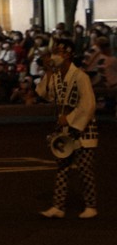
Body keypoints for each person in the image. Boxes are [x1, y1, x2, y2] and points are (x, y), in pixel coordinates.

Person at [37, 39, 99, 219]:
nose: (55, 55)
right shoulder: (56, 76)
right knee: (62, 166)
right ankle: (58, 206)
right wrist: (48, 71)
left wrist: (70, 119)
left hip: (83, 128)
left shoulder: (80, 76)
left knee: (84, 168)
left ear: (69, 54)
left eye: (59, 52)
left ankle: (91, 205)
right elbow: (44, 93)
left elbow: (88, 105)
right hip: (65, 127)